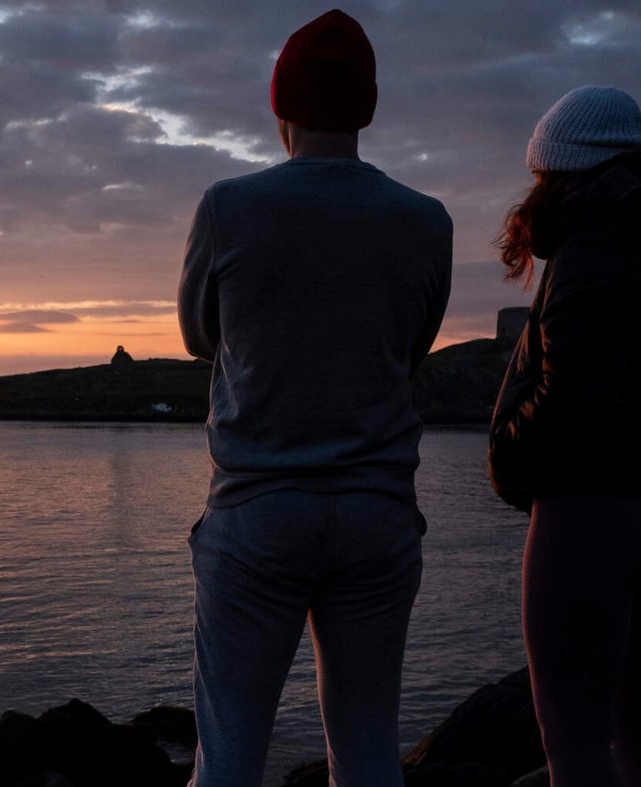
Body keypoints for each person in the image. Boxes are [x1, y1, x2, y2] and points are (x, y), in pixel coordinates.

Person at [177, 9, 453, 787]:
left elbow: (201, 337)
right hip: (377, 510)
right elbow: (413, 343)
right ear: (365, 108)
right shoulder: (427, 220)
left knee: (227, 759)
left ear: (280, 109)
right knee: (368, 754)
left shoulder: (229, 205)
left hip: (258, 509)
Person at [489, 85, 641, 787]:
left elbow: (573, 397)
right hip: (624, 499)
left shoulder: (593, 249)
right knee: (633, 734)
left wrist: (511, 453)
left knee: (574, 741)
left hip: (583, 508)